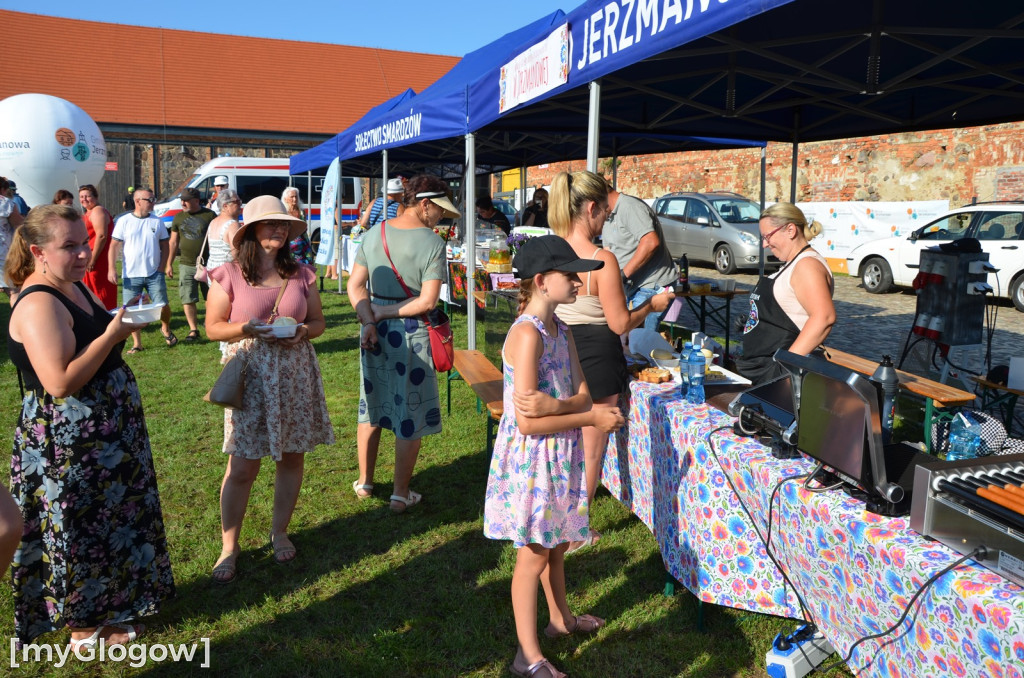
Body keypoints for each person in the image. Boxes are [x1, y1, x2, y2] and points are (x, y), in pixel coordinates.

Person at [5, 204, 175, 646]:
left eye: (85, 242)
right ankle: (84, 623)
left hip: (102, 433)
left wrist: (125, 317)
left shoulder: (73, 286)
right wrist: (112, 336)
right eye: (70, 246)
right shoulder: (40, 301)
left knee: (108, 518)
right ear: (38, 251)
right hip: (69, 439)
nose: (84, 254)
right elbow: (59, 382)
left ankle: (113, 605)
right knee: (78, 525)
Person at [483, 235, 625, 678]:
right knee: (534, 555)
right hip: (534, 460)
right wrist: (585, 417)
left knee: (557, 541)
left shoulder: (562, 328)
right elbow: (527, 423)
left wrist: (559, 407)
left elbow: (581, 393)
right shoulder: (527, 334)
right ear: (543, 282)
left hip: (559, 448)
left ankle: (560, 619)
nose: (581, 282)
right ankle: (525, 656)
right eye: (572, 275)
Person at [205, 195, 333, 583]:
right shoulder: (228, 273)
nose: (279, 230)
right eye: (270, 224)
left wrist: (301, 332)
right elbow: (213, 327)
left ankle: (280, 531)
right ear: (251, 231)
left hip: (294, 373)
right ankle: (230, 545)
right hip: (251, 375)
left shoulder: (302, 273)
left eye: (283, 225)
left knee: (291, 458)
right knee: (243, 464)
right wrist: (246, 328)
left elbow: (318, 323)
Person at [549, 171, 673, 546]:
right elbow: (620, 322)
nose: (605, 219)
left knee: (563, 444)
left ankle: (558, 516)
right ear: (591, 208)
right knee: (591, 448)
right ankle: (575, 530)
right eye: (604, 212)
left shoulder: (553, 249)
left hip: (559, 350)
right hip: (598, 353)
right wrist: (652, 304)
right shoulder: (601, 259)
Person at [346, 175, 457, 513]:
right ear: (425, 203)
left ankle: (365, 481)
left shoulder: (373, 233)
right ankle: (399, 493)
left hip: (374, 333)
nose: (441, 216)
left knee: (372, 404)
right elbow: (427, 302)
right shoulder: (433, 243)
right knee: (410, 411)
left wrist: (370, 318)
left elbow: (355, 286)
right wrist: (382, 313)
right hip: (413, 331)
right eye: (440, 209)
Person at [736, 202, 836, 383]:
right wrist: (754, 323)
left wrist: (784, 365)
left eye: (768, 236)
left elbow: (824, 318)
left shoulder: (807, 265)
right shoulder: (792, 264)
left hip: (781, 376)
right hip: (762, 368)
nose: (765, 244)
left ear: (790, 230)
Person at [109, 187, 175, 352]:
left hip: (154, 273)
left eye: (154, 199)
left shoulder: (157, 221)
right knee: (131, 311)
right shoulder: (124, 221)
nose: (153, 203)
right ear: (138, 201)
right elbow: (114, 245)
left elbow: (165, 244)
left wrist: (163, 266)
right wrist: (111, 268)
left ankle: (165, 328)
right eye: (149, 200)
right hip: (131, 275)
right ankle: (137, 344)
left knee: (163, 305)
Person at [603, 187, 677, 330]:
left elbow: (651, 242)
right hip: (632, 287)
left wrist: (623, 275)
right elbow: (609, 252)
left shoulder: (630, 207)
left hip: (651, 285)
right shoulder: (607, 215)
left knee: (639, 339)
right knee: (629, 338)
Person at [168, 187, 216, 342]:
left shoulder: (210, 215)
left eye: (186, 200)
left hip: (208, 264)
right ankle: (193, 329)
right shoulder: (178, 218)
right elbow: (173, 242)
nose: (183, 203)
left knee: (211, 297)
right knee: (187, 298)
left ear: (196, 201)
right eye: (182, 200)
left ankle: (211, 325)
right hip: (186, 264)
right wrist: (169, 263)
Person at [79, 184, 118, 310]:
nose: (84, 199)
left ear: (95, 197)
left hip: (99, 258)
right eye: (81, 197)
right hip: (91, 258)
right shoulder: (89, 212)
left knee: (100, 290)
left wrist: (93, 260)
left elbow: (101, 236)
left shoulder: (97, 211)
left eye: (87, 196)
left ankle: (106, 319)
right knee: (91, 291)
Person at [1, 176, 25, 296]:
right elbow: (19, 226)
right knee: (13, 290)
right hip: (3, 251)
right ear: (4, 190)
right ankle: (19, 313)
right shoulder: (6, 204)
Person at [281, 186, 314, 265]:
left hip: (303, 244)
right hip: (288, 246)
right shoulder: (283, 212)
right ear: (285, 199)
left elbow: (305, 227)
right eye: (291, 197)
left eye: (296, 196)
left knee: (307, 266)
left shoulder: (302, 212)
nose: (294, 199)